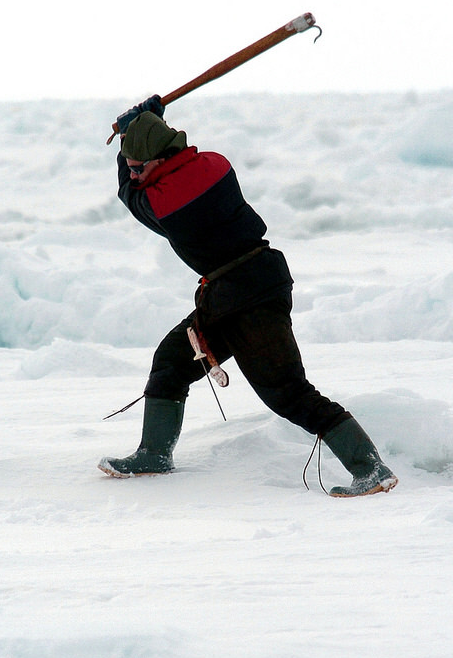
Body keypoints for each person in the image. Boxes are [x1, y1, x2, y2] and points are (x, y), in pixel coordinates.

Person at [98, 97, 398, 497]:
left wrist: (127, 138)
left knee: (289, 393)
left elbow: (128, 196)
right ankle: (154, 454)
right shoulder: (215, 164)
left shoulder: (165, 201)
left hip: (247, 296)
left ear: (159, 158)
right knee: (172, 361)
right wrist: (147, 125)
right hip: (240, 288)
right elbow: (154, 170)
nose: (133, 175)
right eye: (131, 167)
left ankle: (371, 469)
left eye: (138, 167)